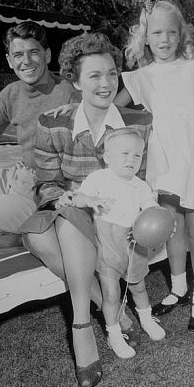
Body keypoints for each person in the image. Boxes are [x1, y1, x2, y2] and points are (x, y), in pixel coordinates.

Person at [19, 33, 153, 387]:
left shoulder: (137, 123)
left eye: (111, 74)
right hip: (71, 209)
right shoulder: (52, 123)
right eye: (94, 76)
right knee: (36, 232)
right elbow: (46, 183)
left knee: (64, 228)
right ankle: (113, 310)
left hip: (110, 223)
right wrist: (68, 199)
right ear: (76, 82)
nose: (106, 83)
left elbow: (139, 184)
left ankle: (81, 326)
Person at [113, 0, 194, 333]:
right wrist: (81, 106)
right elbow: (113, 107)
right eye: (156, 33)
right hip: (165, 158)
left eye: (170, 32)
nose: (164, 39)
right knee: (172, 225)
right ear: (145, 39)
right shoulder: (143, 76)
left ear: (180, 35)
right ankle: (178, 287)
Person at [0, 21, 80, 233]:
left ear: (47, 55)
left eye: (34, 52)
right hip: (18, 176)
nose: (26, 61)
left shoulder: (69, 92)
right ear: (9, 60)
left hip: (42, 194)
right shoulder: (11, 93)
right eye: (18, 55)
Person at [67, 127, 166, 359]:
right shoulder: (99, 178)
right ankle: (114, 334)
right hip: (108, 246)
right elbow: (77, 198)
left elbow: (152, 209)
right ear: (107, 157)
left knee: (139, 287)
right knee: (111, 294)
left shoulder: (140, 186)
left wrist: (159, 220)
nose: (131, 160)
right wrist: (91, 199)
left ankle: (145, 318)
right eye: (125, 154)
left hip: (134, 246)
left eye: (137, 155)